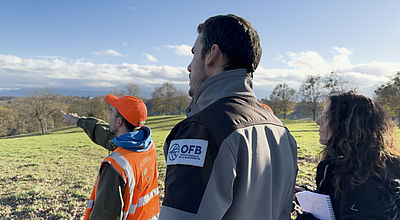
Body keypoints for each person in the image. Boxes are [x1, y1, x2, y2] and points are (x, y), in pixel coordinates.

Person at [159, 14, 298, 220]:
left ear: (212, 55)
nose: (189, 66)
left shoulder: (202, 130)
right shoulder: (280, 130)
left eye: (194, 53)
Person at [295, 92, 400, 220]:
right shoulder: (363, 166)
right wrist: (311, 196)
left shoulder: (366, 180)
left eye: (327, 116)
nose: (318, 121)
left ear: (347, 126)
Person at [61, 95, 160, 220]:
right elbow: (106, 135)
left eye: (112, 113)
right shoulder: (147, 145)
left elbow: (105, 215)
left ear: (119, 122)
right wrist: (79, 121)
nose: (108, 117)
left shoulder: (116, 166)